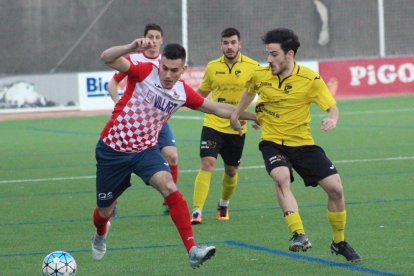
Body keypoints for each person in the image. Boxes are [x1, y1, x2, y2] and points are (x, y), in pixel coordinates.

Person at [92, 37, 256, 268]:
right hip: (112, 150)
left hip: (145, 151)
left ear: (184, 70)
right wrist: (130, 48)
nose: (168, 75)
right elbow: (106, 57)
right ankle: (100, 234)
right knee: (104, 211)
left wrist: (255, 115)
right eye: (165, 69)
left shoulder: (182, 92)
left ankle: (192, 250)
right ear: (160, 65)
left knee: (169, 186)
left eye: (174, 70)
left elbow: (219, 108)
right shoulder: (143, 71)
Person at [230, 28, 362, 263]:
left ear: (289, 54)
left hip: (303, 144)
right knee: (281, 177)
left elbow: (332, 107)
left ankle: (339, 242)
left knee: (336, 189)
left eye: (273, 54)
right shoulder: (259, 75)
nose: (269, 59)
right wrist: (237, 115)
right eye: (267, 54)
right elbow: (249, 92)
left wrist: (332, 118)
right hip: (273, 143)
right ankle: (298, 233)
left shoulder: (310, 79)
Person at [191, 27, 259, 225]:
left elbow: (263, 92)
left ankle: (223, 203)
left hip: (237, 127)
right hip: (213, 123)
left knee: (231, 171)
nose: (229, 47)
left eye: (233, 42)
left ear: (240, 44)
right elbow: (202, 93)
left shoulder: (253, 66)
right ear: (220, 44)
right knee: (207, 163)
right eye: (226, 43)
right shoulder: (212, 67)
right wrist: (186, 100)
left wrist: (258, 117)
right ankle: (196, 211)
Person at [107, 24, 177, 216]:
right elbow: (113, 82)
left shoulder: (168, 63)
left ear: (162, 40)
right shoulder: (134, 59)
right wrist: (117, 102)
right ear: (144, 39)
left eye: (157, 37)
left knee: (172, 156)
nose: (153, 41)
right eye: (150, 37)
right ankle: (112, 201)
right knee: (122, 161)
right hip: (134, 123)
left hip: (157, 122)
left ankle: (169, 201)